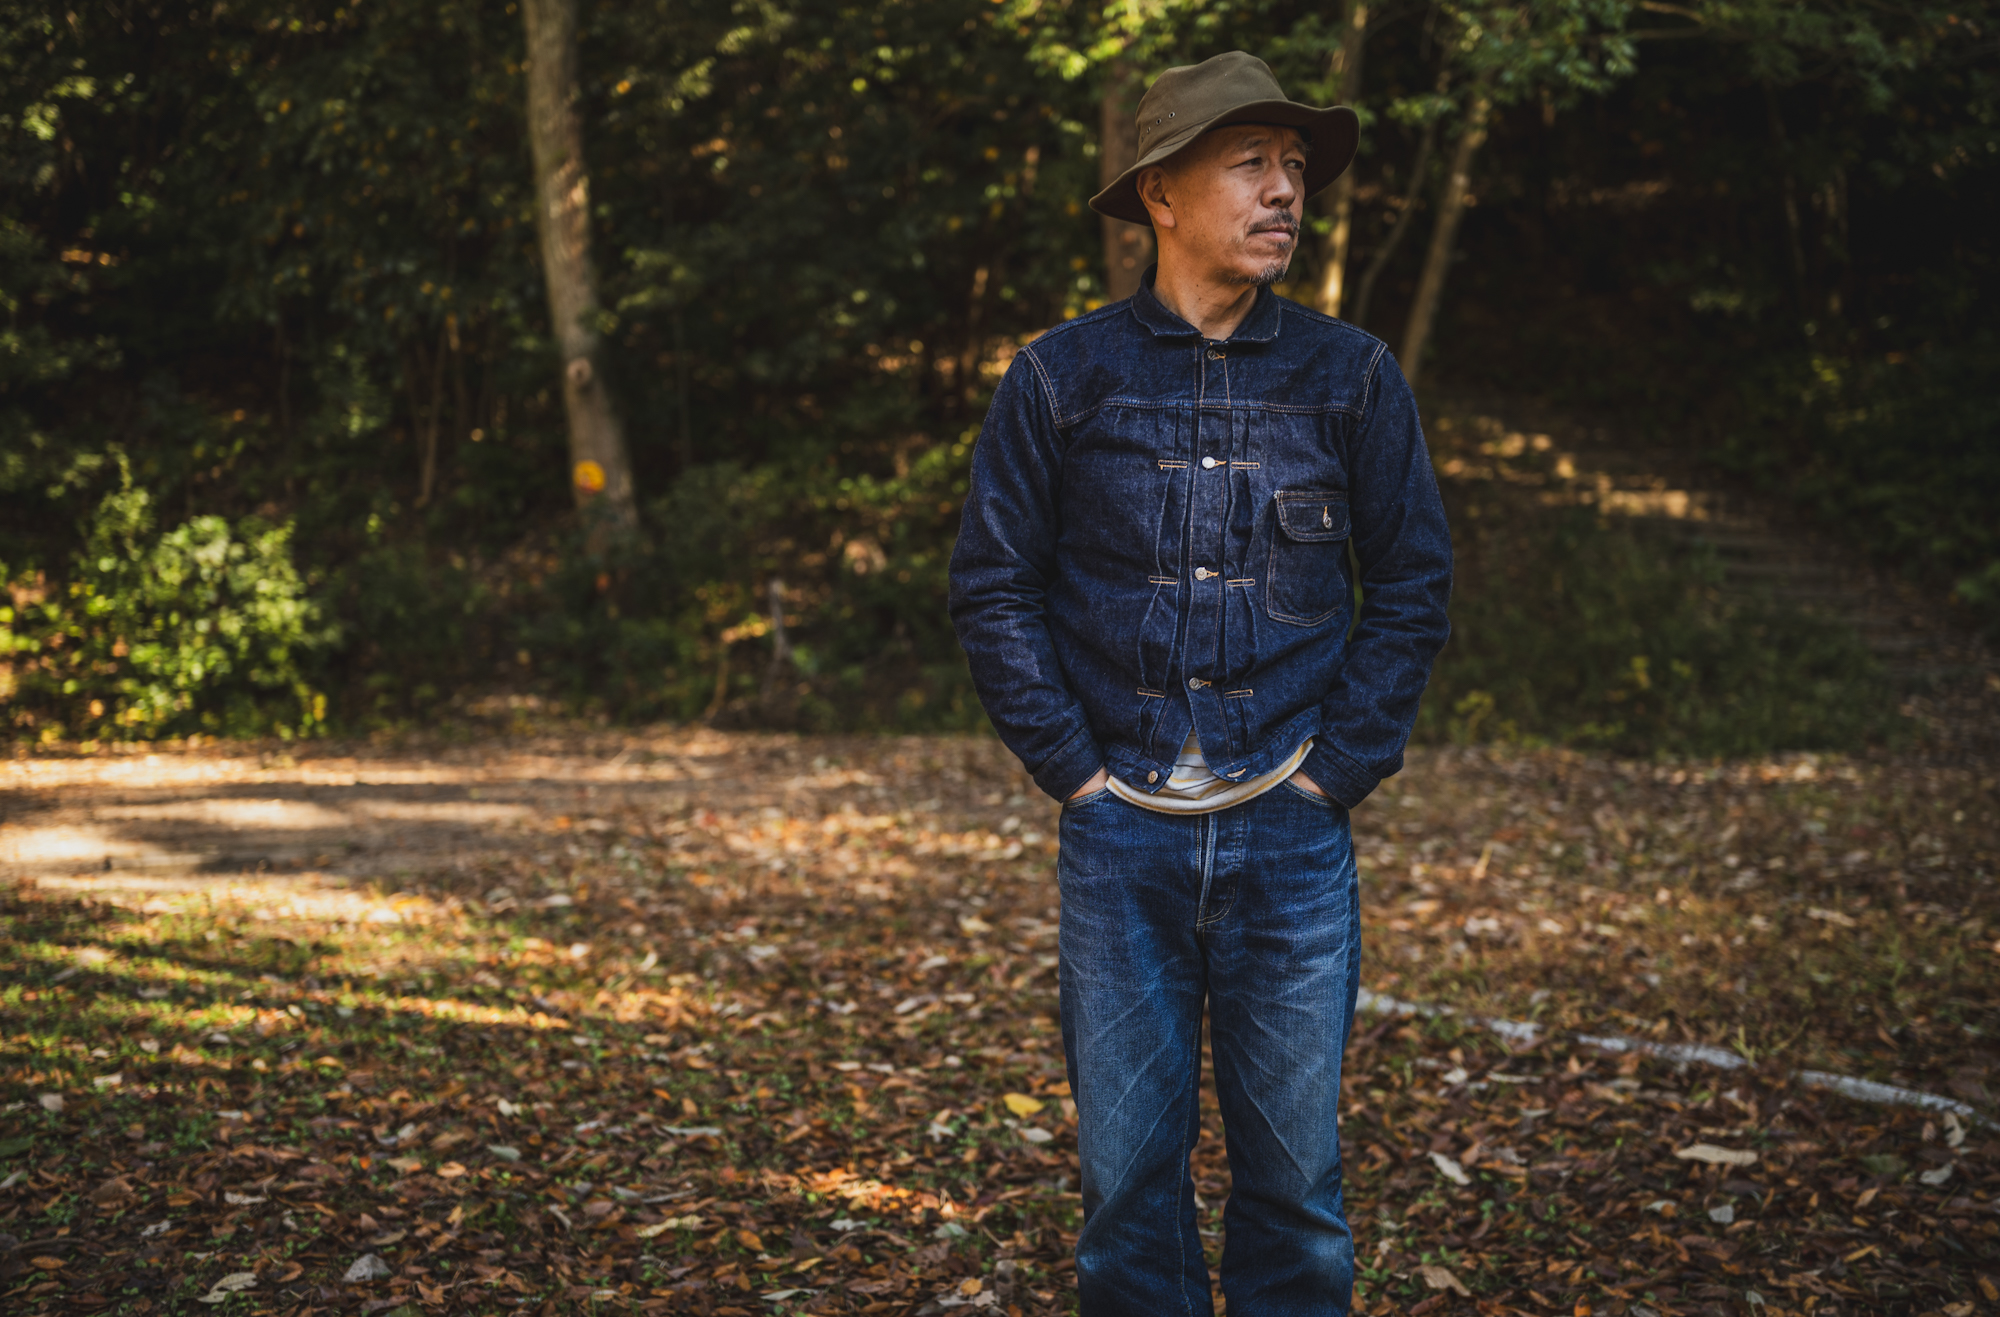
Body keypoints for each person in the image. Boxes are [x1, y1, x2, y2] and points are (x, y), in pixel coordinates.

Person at [948, 50, 1453, 1317]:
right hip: (1119, 838)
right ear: (1160, 194)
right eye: (1250, 165)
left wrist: (1335, 773)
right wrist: (1074, 774)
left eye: (1294, 169)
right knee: (1127, 1197)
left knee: (1295, 1194)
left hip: (1291, 831)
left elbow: (1410, 584)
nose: (1284, 191)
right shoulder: (1060, 379)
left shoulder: (1349, 377)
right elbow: (992, 589)